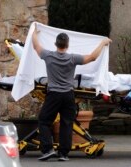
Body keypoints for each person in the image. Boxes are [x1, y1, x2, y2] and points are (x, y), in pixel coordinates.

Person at [32, 24, 112, 161]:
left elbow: (36, 46)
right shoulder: (73, 58)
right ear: (67, 45)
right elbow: (92, 57)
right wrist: (103, 43)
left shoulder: (48, 55)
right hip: (68, 95)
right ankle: (63, 154)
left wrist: (34, 31)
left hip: (53, 95)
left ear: (55, 44)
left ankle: (48, 150)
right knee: (66, 123)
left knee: (44, 121)